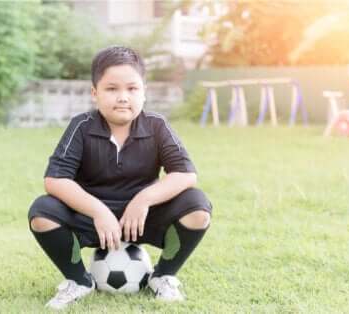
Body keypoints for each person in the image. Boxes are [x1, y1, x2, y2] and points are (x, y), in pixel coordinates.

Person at [28, 46, 212, 310]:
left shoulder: (156, 126)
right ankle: (78, 281)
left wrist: (144, 199)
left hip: (141, 219)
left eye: (132, 89)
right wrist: (98, 210)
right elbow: (55, 180)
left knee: (197, 206)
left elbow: (185, 173)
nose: (123, 97)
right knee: (42, 211)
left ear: (144, 92)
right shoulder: (81, 126)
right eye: (112, 89)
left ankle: (163, 276)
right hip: (93, 220)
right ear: (95, 93)